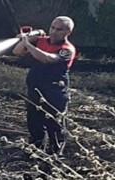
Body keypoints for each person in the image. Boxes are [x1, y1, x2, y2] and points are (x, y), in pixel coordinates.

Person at [12, 16, 76, 154]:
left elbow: (48, 58)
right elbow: (16, 51)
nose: (54, 31)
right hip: (35, 90)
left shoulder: (67, 49)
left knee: (55, 126)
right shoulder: (41, 41)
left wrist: (28, 44)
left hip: (55, 93)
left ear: (68, 32)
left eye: (59, 29)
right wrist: (27, 38)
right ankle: (35, 153)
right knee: (34, 124)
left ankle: (55, 158)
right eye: (53, 27)